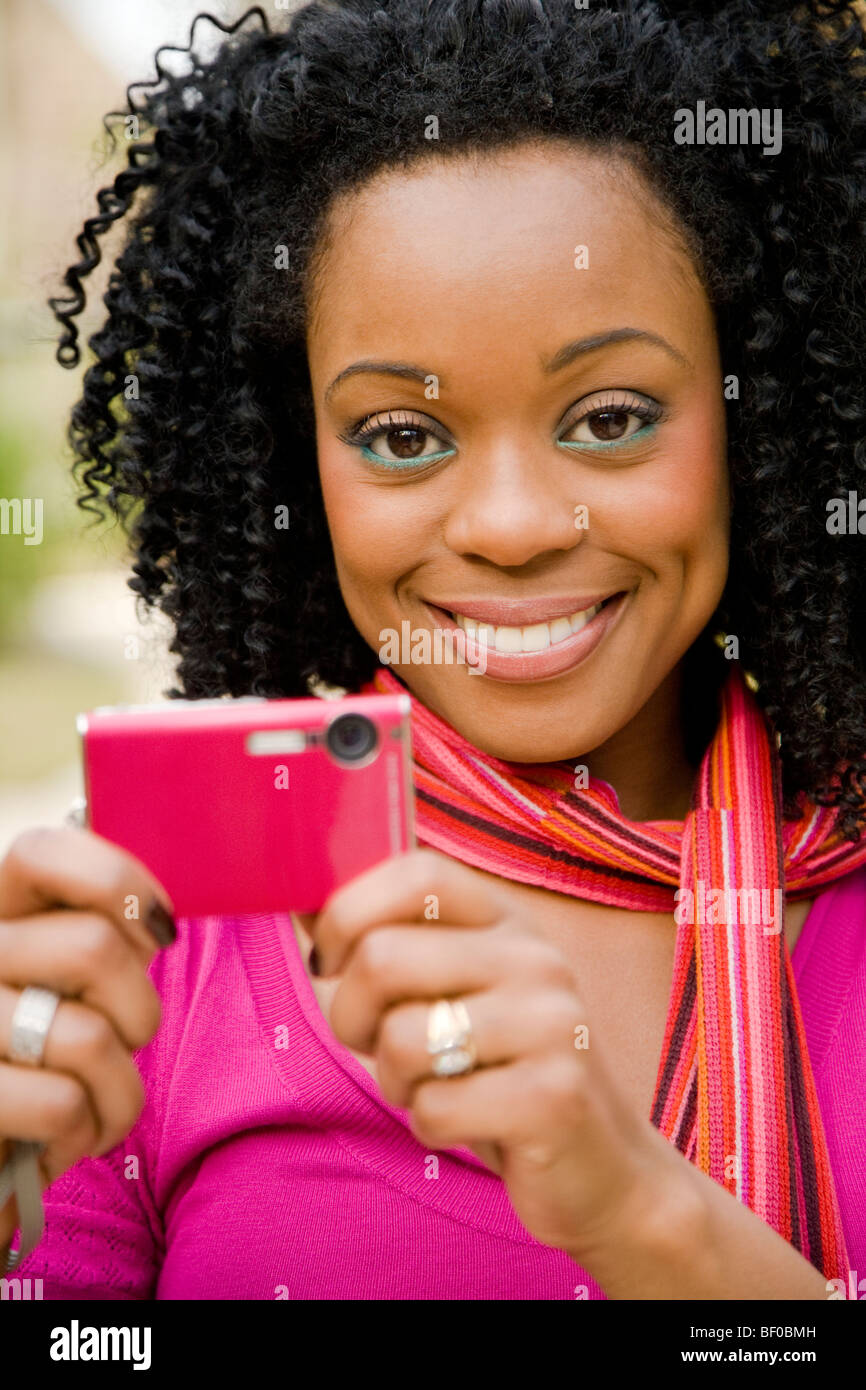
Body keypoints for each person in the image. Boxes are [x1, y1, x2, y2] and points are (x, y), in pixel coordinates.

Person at [2, 0, 865, 1300]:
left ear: (753, 418)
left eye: (611, 415)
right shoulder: (145, 947)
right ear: (297, 457)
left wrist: (641, 1216)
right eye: (400, 434)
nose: (512, 525)